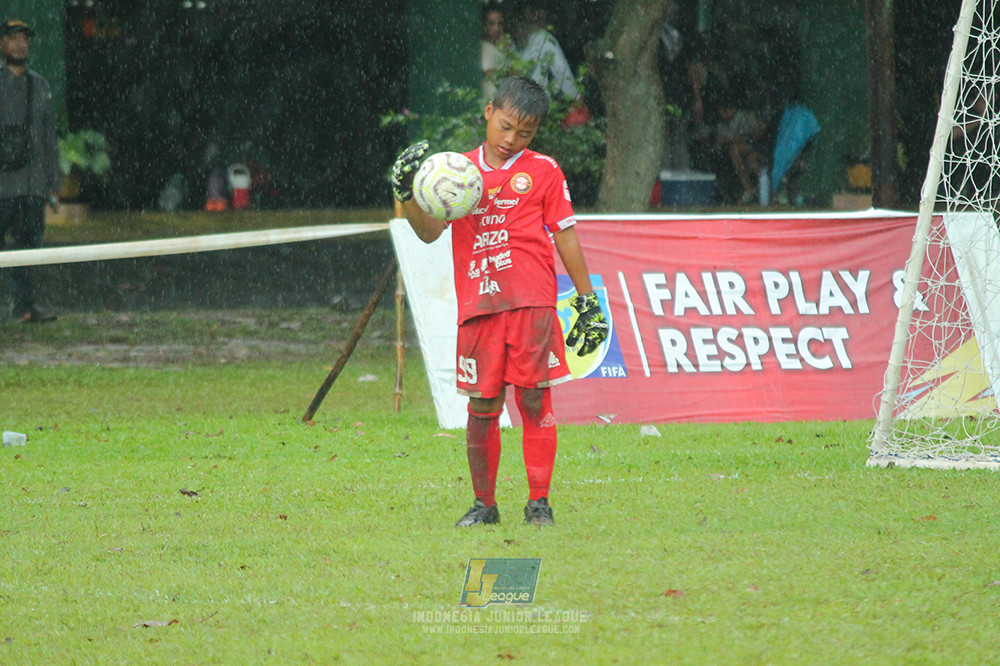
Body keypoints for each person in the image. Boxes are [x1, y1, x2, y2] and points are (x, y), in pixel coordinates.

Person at [391, 76, 608, 527]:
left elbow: (565, 235)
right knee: (483, 406)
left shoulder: (545, 171)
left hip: (531, 303)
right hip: (479, 307)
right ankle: (484, 505)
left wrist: (586, 299)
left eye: (524, 133)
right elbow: (430, 232)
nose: (511, 140)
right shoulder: (455, 173)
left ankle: (539, 503)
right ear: (489, 113)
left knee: (533, 399)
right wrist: (407, 192)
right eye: (506, 126)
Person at [0, 19, 60, 323]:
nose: (20, 43)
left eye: (24, 38)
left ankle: (24, 308)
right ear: (2, 44)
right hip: (2, 187)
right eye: (13, 38)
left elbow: (50, 138)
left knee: (29, 249)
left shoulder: (41, 85)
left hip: (33, 187)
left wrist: (53, 186)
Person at [480, 2, 506, 99]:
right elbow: (492, 75)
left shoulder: (502, 47)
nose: (496, 28)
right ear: (484, 25)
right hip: (489, 106)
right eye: (491, 24)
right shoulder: (482, 47)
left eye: (499, 23)